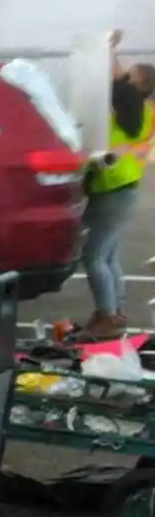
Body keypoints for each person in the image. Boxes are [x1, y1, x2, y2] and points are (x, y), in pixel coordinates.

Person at [81, 33, 154, 336]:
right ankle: (116, 310)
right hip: (125, 185)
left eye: (132, 73)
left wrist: (108, 49)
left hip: (113, 185)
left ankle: (107, 316)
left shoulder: (129, 105)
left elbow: (117, 77)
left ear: (138, 84)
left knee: (93, 254)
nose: (126, 74)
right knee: (108, 254)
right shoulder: (143, 112)